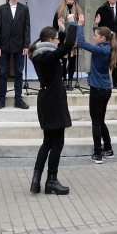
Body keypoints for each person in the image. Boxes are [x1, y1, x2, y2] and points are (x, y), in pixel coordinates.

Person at [28, 16, 78, 195]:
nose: (59, 41)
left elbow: (64, 44)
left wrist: (62, 30)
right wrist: (72, 24)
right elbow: (69, 45)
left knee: (48, 142)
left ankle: (36, 180)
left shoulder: (40, 54)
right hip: (54, 101)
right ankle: (51, 180)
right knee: (57, 143)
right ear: (50, 40)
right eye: (57, 38)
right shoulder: (48, 55)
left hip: (47, 100)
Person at [75, 14, 117, 163]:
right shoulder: (107, 46)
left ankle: (98, 154)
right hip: (106, 89)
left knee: (96, 122)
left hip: (98, 89)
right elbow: (99, 37)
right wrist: (96, 25)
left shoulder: (100, 50)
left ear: (102, 39)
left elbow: (82, 43)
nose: (93, 37)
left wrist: (79, 25)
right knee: (101, 120)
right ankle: (109, 148)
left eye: (95, 35)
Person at [0, 0, 31, 110]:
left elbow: (27, 28)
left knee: (18, 73)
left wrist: (26, 45)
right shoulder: (1, 8)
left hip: (19, 44)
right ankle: (1, 99)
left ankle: (18, 99)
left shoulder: (24, 9)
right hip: (4, 44)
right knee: (3, 72)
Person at [52, 0, 82, 90]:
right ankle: (64, 79)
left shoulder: (78, 10)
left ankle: (70, 80)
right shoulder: (59, 10)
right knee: (64, 60)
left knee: (72, 60)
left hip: (74, 38)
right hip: (62, 38)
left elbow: (81, 24)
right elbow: (54, 26)